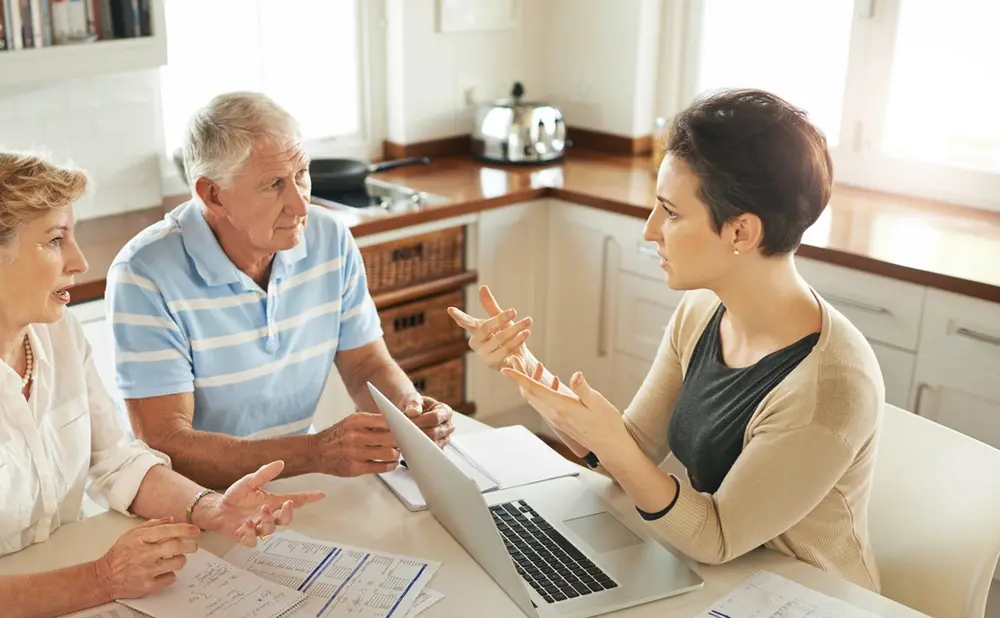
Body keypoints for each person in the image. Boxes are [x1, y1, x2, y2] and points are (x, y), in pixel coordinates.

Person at [0, 142, 325, 618]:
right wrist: (102, 579)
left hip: (40, 615)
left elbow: (115, 461)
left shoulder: (55, 334)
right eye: (55, 241)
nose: (79, 261)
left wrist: (210, 508)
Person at [449, 89, 884, 590]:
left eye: (671, 213)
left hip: (815, 609)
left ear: (741, 232)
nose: (650, 230)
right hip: (722, 581)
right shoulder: (701, 311)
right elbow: (630, 450)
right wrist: (528, 372)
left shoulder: (828, 386)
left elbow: (717, 536)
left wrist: (613, 443)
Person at [106, 91, 454, 490]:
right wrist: (314, 452)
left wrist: (407, 416)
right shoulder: (144, 274)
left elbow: (367, 366)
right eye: (274, 184)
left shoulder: (330, 239)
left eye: (301, 175)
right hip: (192, 501)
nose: (300, 205)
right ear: (212, 195)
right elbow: (168, 445)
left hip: (292, 481)